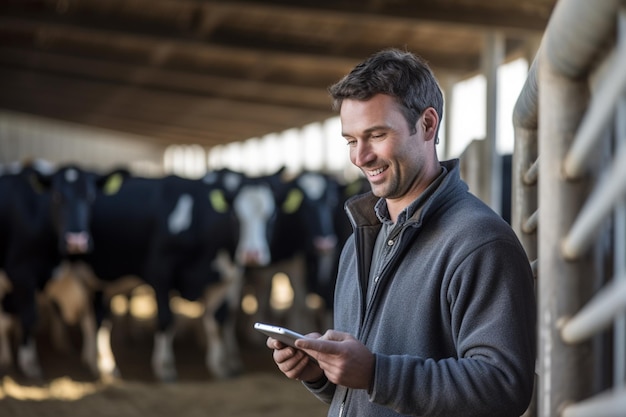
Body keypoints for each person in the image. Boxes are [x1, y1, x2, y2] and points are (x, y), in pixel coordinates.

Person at [265, 48, 536, 417]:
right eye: (351, 140)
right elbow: (371, 395)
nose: (360, 157)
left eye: (376, 135)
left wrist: (376, 373)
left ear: (427, 124)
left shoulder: (479, 243)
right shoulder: (359, 241)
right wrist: (324, 374)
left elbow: (504, 387)